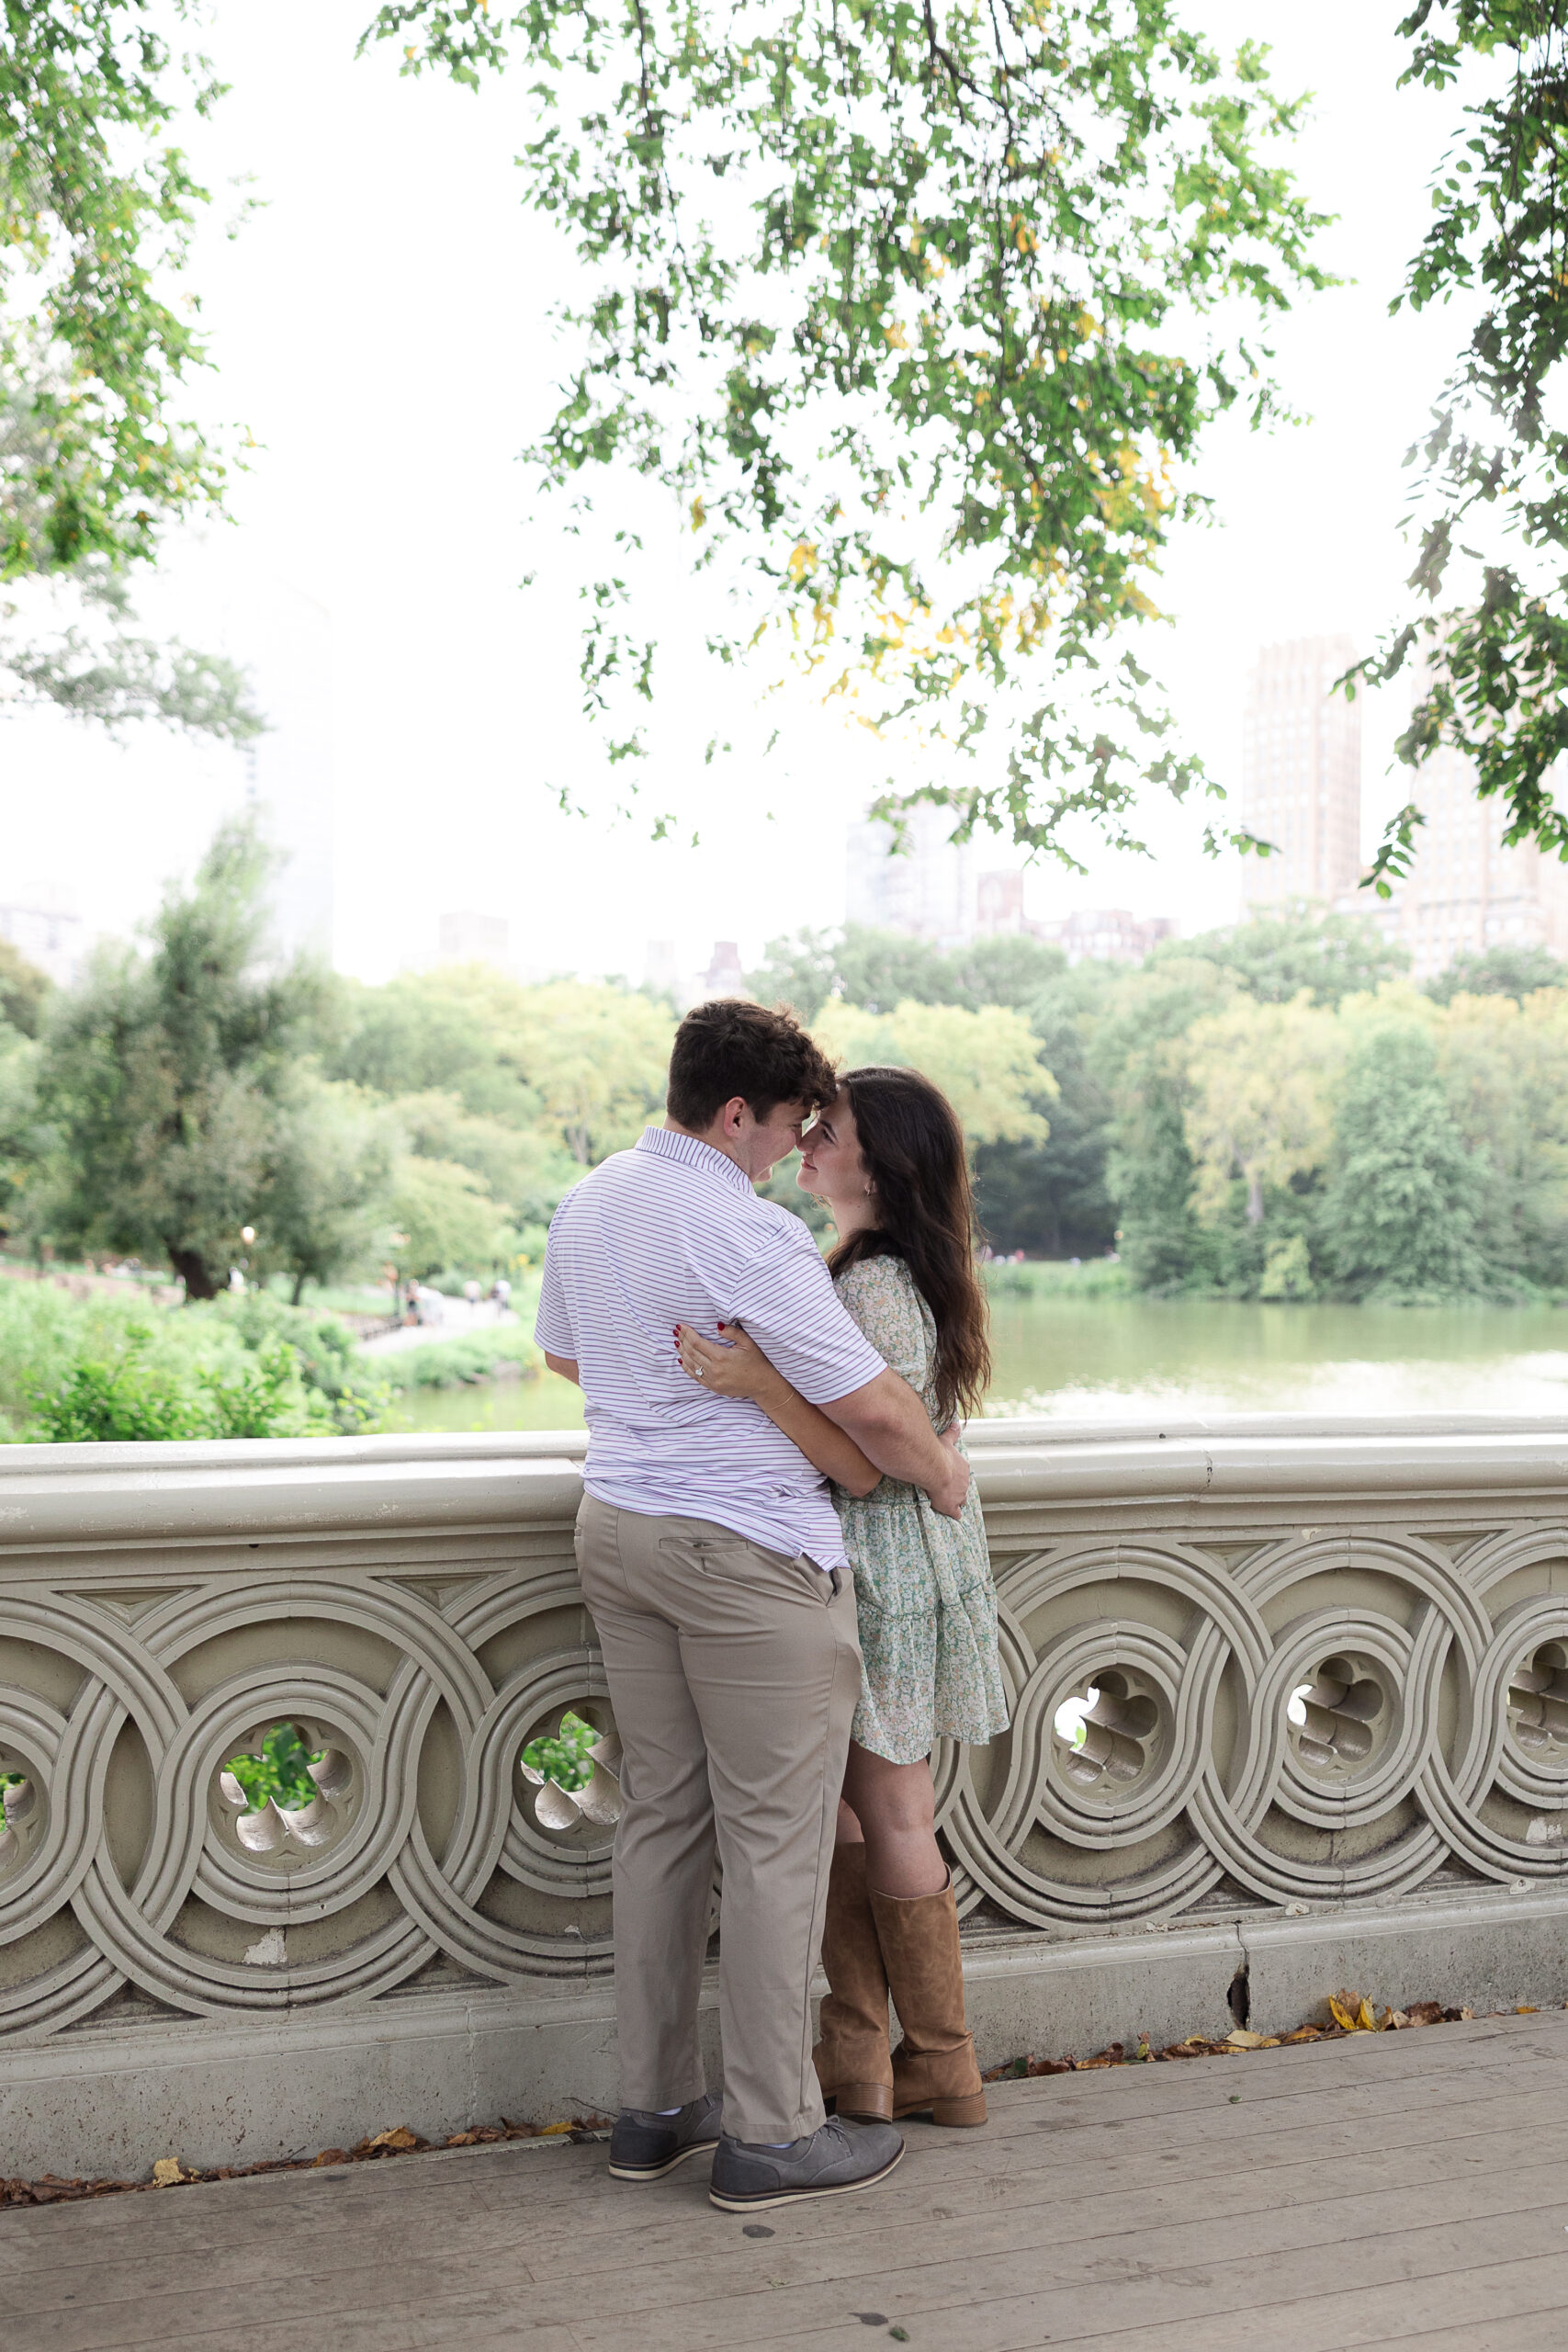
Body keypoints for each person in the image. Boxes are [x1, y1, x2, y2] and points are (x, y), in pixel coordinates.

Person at [534, 1002, 972, 2213]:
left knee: (661, 1821)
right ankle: (772, 2135)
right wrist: (941, 1472)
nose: (792, 1150)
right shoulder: (748, 1230)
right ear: (736, 1113)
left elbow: (568, 1356)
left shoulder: (592, 1200)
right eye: (786, 1128)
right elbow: (874, 1411)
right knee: (774, 1845)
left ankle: (654, 2110)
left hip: (615, 1529)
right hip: (742, 1557)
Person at [676, 1065, 1008, 2134]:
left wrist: (755, 1381)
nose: (809, 1139)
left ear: (883, 1160)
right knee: (864, 1810)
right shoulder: (894, 1266)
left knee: (890, 1807)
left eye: (833, 1128)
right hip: (911, 1555)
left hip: (879, 1559)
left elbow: (880, 1438)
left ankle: (943, 2065)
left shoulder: (864, 1282)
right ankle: (865, 2061)